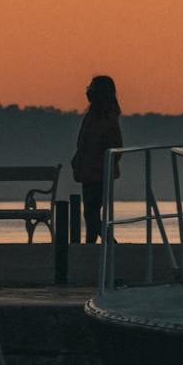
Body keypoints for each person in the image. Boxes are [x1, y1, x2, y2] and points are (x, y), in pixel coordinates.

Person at [70, 75, 123, 243]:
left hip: (98, 172)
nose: (88, 90)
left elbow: (115, 146)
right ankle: (92, 243)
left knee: (91, 212)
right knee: (90, 212)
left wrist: (100, 164)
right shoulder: (93, 114)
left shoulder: (107, 117)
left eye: (92, 88)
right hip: (88, 171)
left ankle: (108, 242)